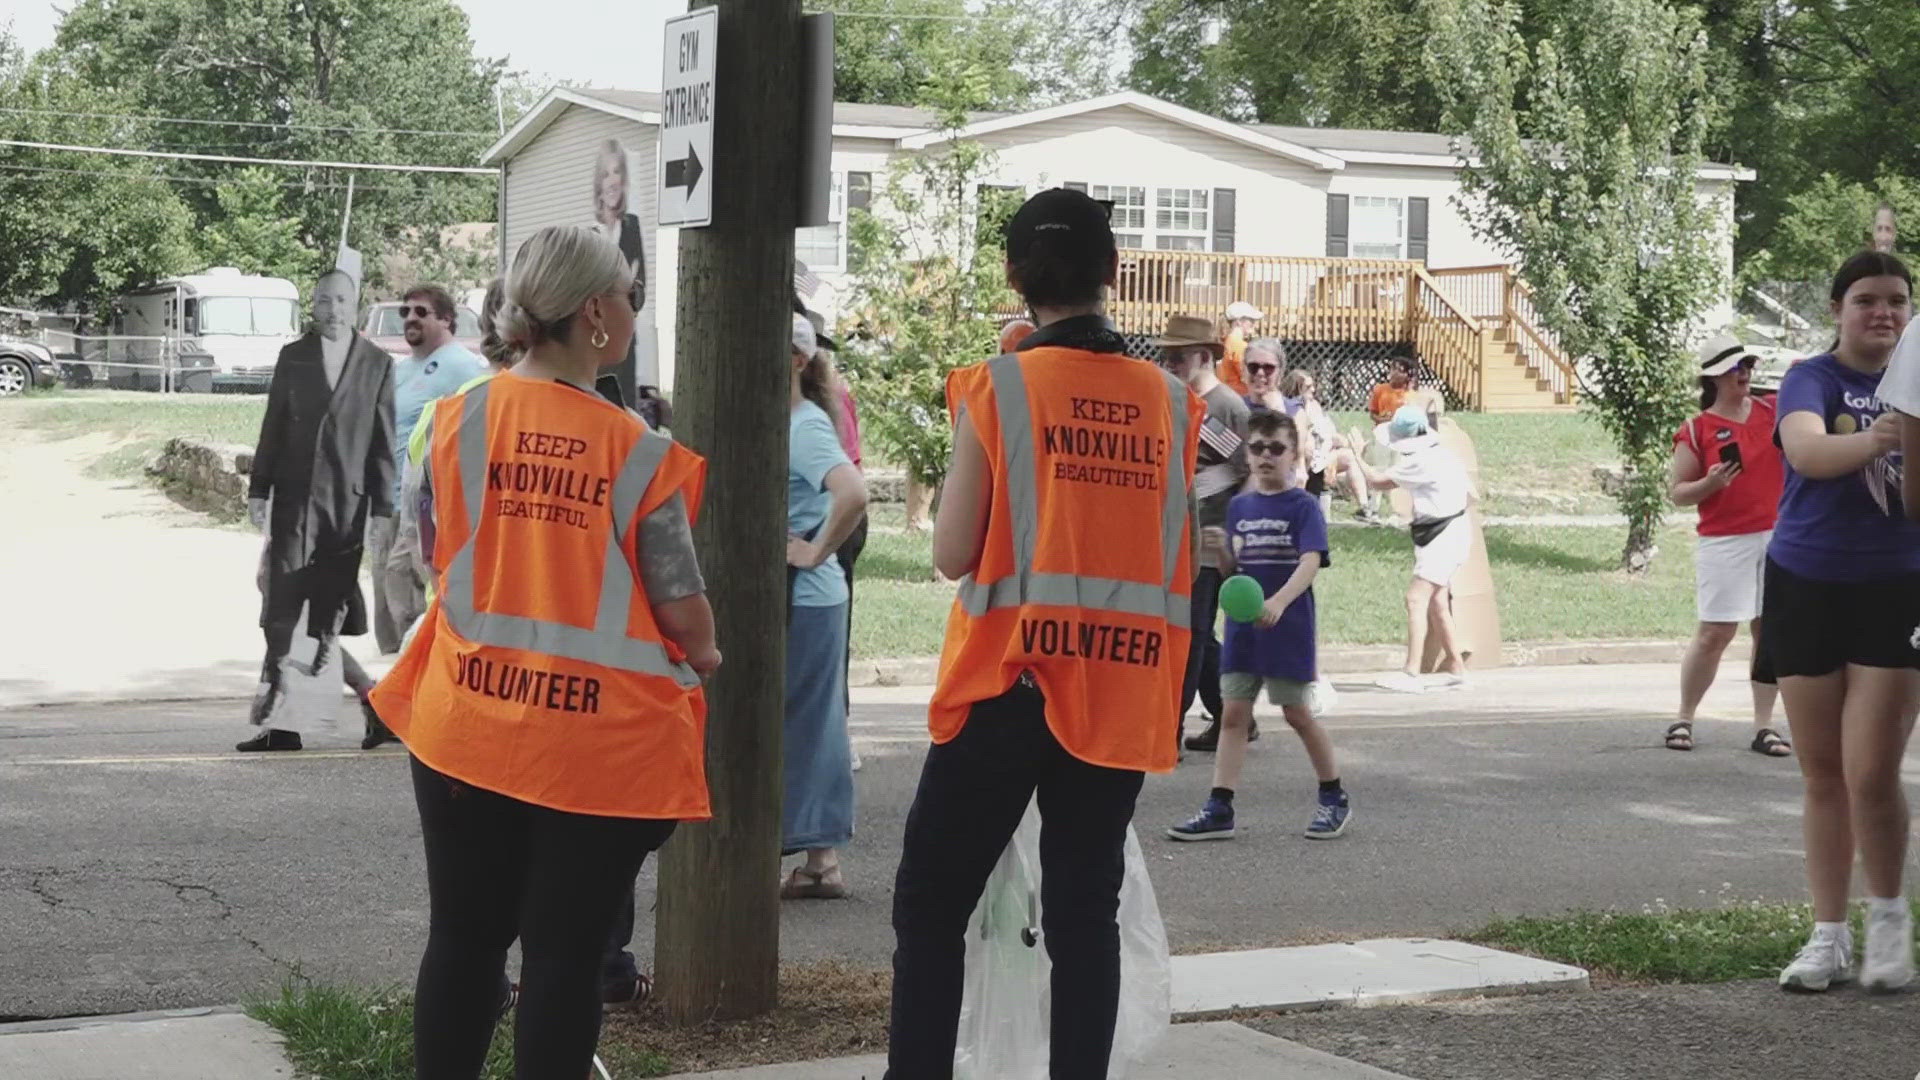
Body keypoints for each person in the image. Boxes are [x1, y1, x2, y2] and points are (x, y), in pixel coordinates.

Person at [369, 224, 718, 1079]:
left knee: (462, 938)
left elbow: (430, 552)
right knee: (562, 960)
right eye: (630, 298)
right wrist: (704, 653)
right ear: (596, 315)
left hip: (464, 723)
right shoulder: (635, 450)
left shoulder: (455, 420)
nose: (634, 313)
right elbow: (681, 608)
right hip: (590, 748)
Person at [884, 187, 1202, 1080]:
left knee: (932, 908)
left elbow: (953, 553)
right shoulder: (1174, 404)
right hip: (1120, 686)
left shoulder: (1001, 388)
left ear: (1016, 277)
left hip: (1008, 687)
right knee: (1081, 917)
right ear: (1111, 274)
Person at [1766, 250, 1919, 994]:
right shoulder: (1812, 378)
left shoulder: (1918, 384)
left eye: (1896, 300)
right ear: (1837, 309)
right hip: (1805, 582)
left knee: (1871, 772)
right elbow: (1805, 450)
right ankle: (1828, 937)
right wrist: (1876, 440)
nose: (1882, 313)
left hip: (1895, 588)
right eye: (1866, 300)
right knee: (1823, 772)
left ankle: (1889, 920)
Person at [1169, 410, 1349, 842]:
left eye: (1276, 448)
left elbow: (1310, 562)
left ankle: (1333, 795)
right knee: (1232, 714)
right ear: (1248, 454)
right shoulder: (1241, 506)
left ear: (1293, 454)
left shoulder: (1303, 505)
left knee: (1296, 712)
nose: (1266, 456)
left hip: (1287, 625)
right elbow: (1237, 574)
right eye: (1258, 447)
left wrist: (1280, 602)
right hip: (1244, 628)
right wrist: (1223, 554)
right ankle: (1219, 805)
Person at [240, 269, 394, 752]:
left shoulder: (377, 364)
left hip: (343, 514)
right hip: (294, 505)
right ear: (313, 305)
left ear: (357, 305)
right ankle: (283, 723)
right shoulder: (294, 358)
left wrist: (382, 511)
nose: (333, 310)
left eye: (342, 301)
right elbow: (273, 428)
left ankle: (375, 702)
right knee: (280, 611)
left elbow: (384, 445)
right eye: (324, 300)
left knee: (323, 621)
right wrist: (258, 490)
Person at [1662, 335, 1787, 757]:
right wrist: (1710, 483)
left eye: (1747, 365)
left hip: (1778, 536)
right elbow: (1678, 493)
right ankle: (1684, 717)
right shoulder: (1696, 430)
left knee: (1768, 631)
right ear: (1713, 376)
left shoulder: (1773, 410)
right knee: (1715, 632)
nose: (1744, 373)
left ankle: (1764, 726)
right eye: (1735, 368)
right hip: (1724, 540)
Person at [782, 312, 869, 900]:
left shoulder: (803, 426)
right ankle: (820, 859)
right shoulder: (793, 420)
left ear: (796, 360)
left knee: (802, 725)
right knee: (810, 724)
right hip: (807, 598)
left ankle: (818, 855)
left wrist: (814, 551)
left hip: (806, 597)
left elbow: (854, 492)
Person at [1152, 313, 1252, 754]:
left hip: (1211, 539)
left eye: (1177, 356)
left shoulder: (1227, 406)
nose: (1169, 364)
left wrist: (1217, 491)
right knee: (1198, 635)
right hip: (1175, 536)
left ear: (1202, 356)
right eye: (1166, 356)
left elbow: (1247, 469)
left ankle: (1170, 731)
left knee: (1189, 635)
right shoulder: (1173, 400)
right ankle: (1235, 717)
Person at [374, 284, 486, 654]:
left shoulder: (462, 366)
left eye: (421, 312)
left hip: (426, 501)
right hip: (386, 498)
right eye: (405, 312)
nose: (410, 319)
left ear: (446, 319)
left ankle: (418, 667)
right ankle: (389, 678)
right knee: (386, 590)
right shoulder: (402, 369)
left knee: (404, 581)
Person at [1350, 406, 1474, 693]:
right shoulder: (1438, 452)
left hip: (1442, 536)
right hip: (1447, 532)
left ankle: (1412, 671)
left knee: (1415, 599)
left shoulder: (1421, 461)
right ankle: (1456, 666)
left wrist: (1357, 454)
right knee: (1437, 601)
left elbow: (1376, 482)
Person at [1283, 370, 1375, 523]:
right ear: (1296, 388)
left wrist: (1348, 443)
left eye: (1313, 386)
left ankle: (1364, 508)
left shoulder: (1315, 406)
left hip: (1323, 455)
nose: (1313, 390)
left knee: (1350, 457)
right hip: (1305, 458)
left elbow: (1329, 433)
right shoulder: (1293, 409)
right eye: (1308, 387)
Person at [1219, 300, 1263, 397]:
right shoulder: (1240, 346)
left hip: (1226, 394)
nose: (1254, 323)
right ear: (1239, 321)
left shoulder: (1226, 341)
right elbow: (1248, 376)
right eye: (1251, 320)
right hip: (1241, 396)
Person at [1367, 356, 1417, 425]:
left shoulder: (1411, 395)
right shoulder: (1380, 389)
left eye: (1400, 371)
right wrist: (1381, 420)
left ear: (1407, 376)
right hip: (1382, 428)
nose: (1395, 373)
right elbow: (1373, 413)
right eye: (1393, 369)